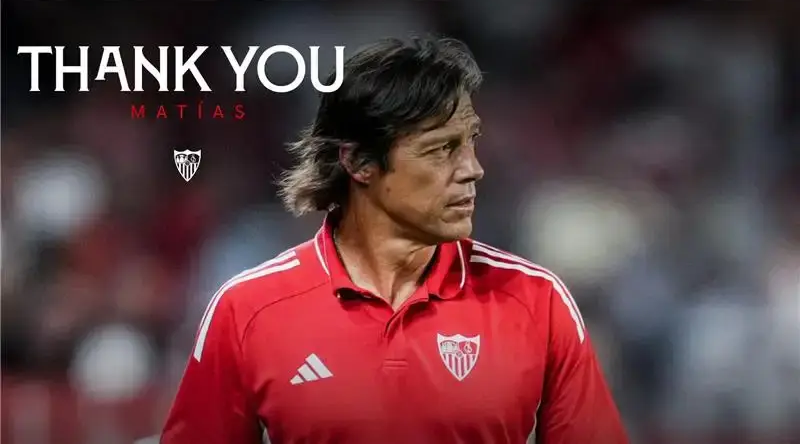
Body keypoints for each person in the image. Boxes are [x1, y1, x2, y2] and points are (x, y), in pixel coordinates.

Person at [161, 36, 628, 444]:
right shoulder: (248, 311)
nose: (473, 169)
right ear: (360, 162)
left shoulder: (536, 302)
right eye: (441, 149)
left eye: (471, 141)